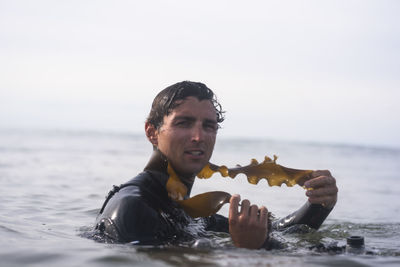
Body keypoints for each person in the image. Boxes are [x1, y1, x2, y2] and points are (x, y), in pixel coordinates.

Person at [94, 81, 338, 249]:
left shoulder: (188, 214)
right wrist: (247, 252)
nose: (199, 137)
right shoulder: (132, 208)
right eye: (184, 123)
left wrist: (318, 205)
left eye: (209, 126)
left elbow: (275, 231)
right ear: (152, 132)